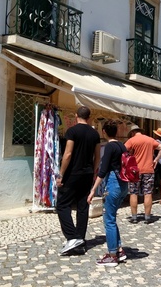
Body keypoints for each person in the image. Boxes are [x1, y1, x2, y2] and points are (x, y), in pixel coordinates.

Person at [56, 106, 100, 256]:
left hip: (73, 173)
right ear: (89, 117)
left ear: (76, 116)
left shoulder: (72, 131)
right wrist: (93, 173)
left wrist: (61, 173)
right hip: (87, 173)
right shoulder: (95, 134)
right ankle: (80, 239)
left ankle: (72, 237)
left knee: (62, 205)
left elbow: (68, 154)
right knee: (82, 206)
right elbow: (98, 157)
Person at [87, 119, 129, 267]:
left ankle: (112, 256)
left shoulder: (110, 147)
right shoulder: (122, 146)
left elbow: (103, 171)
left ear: (103, 132)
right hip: (123, 185)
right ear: (116, 132)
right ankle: (119, 250)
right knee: (111, 218)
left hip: (113, 184)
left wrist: (93, 190)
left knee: (109, 220)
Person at [125, 124, 161, 224]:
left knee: (133, 193)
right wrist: (156, 160)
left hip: (135, 171)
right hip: (148, 169)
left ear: (133, 133)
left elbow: (123, 150)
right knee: (148, 193)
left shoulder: (132, 140)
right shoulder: (149, 139)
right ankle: (147, 217)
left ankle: (134, 217)